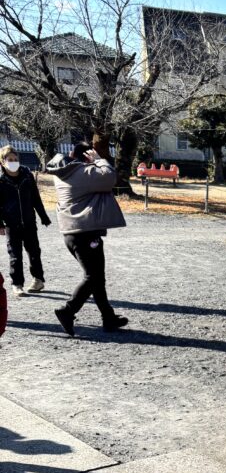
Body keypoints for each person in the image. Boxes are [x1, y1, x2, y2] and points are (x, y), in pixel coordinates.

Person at [46, 142, 127, 336]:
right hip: (85, 232)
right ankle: (67, 310)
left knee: (97, 278)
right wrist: (100, 161)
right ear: (87, 157)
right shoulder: (81, 172)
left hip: (73, 232)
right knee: (93, 277)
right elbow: (109, 178)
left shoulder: (63, 172)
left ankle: (108, 318)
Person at [0, 145, 52, 297]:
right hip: (11, 223)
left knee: (34, 252)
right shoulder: (1, 180)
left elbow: (36, 198)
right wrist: (0, 224)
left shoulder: (27, 176)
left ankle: (38, 280)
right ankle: (17, 284)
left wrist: (44, 216)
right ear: (3, 162)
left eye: (15, 159)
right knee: (15, 255)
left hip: (29, 221)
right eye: (10, 159)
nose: (13, 162)